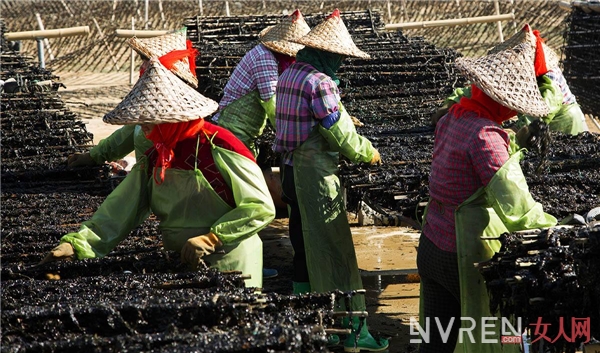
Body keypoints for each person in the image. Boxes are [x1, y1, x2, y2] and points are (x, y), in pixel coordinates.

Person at [41, 59, 276, 289]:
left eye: (148, 119)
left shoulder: (220, 146)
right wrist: (78, 244)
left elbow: (259, 206)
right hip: (181, 263)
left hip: (232, 262)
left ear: (170, 117)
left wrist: (213, 238)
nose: (141, 126)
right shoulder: (157, 156)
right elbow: (122, 209)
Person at [417, 23, 558, 353]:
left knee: (437, 339)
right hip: (461, 255)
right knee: (489, 337)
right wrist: (556, 233)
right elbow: (518, 208)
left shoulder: (454, 115)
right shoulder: (486, 136)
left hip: (431, 244)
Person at [273, 9, 388, 352]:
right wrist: (367, 152)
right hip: (317, 177)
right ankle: (353, 332)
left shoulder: (291, 72)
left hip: (290, 173)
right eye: (338, 56)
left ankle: (309, 322)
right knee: (335, 254)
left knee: (305, 247)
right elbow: (340, 136)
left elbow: (312, 117)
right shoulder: (321, 83)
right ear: (328, 53)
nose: (340, 62)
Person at [431, 25, 589, 145]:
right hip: (536, 123)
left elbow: (543, 108)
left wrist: (515, 130)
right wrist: (453, 102)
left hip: (563, 121)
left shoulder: (548, 75)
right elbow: (487, 86)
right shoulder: (515, 70)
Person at [67, 28, 197, 169]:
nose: (142, 67)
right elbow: (126, 135)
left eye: (146, 61)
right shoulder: (150, 105)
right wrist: (94, 156)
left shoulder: (183, 113)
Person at [212, 9, 310, 157]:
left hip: (244, 130)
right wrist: (294, 137)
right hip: (233, 128)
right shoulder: (265, 57)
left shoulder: (270, 56)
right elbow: (273, 105)